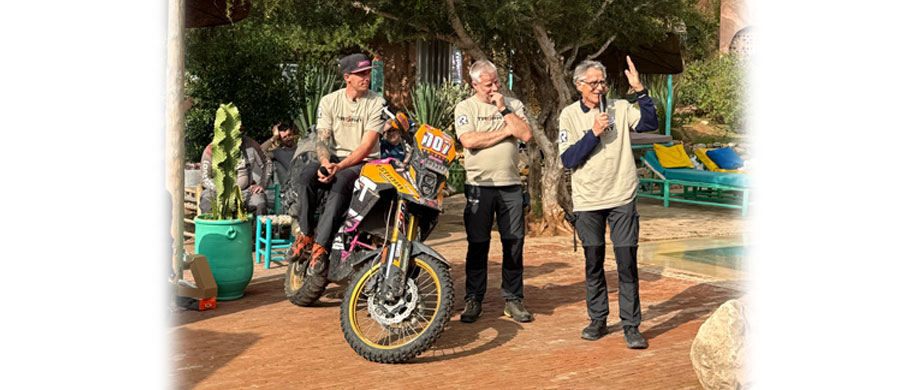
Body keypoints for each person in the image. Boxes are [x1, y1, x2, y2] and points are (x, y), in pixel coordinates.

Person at [558, 57, 658, 348]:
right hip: (588, 200)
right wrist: (594, 132)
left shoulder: (621, 108)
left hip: (622, 195)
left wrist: (640, 91)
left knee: (627, 263)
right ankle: (598, 319)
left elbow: (649, 124)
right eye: (594, 83)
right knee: (594, 263)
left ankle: (631, 325)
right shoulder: (568, 115)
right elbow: (568, 159)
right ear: (579, 86)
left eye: (603, 82)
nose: (600, 88)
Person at [287, 53, 386, 276]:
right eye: (361, 73)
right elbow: (322, 139)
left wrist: (338, 168)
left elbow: (366, 146)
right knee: (306, 175)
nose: (366, 77)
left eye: (368, 72)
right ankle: (305, 234)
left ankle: (320, 248)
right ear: (347, 77)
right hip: (333, 159)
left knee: (341, 181)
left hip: (364, 163)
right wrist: (325, 163)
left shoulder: (376, 103)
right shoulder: (329, 101)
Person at [453, 59, 534, 323]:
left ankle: (513, 299)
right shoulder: (465, 107)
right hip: (480, 186)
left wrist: (503, 110)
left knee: (513, 244)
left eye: (497, 82)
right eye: (489, 84)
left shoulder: (513, 105)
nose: (494, 87)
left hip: (510, 185)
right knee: (478, 245)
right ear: (475, 85)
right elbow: (469, 141)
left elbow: (525, 134)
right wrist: (504, 132)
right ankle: (473, 299)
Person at [199, 128, 273, 216]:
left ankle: (254, 229)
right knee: (207, 200)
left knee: (260, 203)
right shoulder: (211, 149)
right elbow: (205, 178)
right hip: (219, 192)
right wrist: (220, 189)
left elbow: (267, 163)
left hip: (246, 191)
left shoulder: (251, 145)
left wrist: (262, 184)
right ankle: (214, 229)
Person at [261, 120, 299, 213]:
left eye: (289, 135)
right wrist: (274, 137)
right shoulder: (278, 152)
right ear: (281, 139)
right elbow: (260, 151)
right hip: (290, 189)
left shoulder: (301, 147)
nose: (288, 138)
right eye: (284, 137)